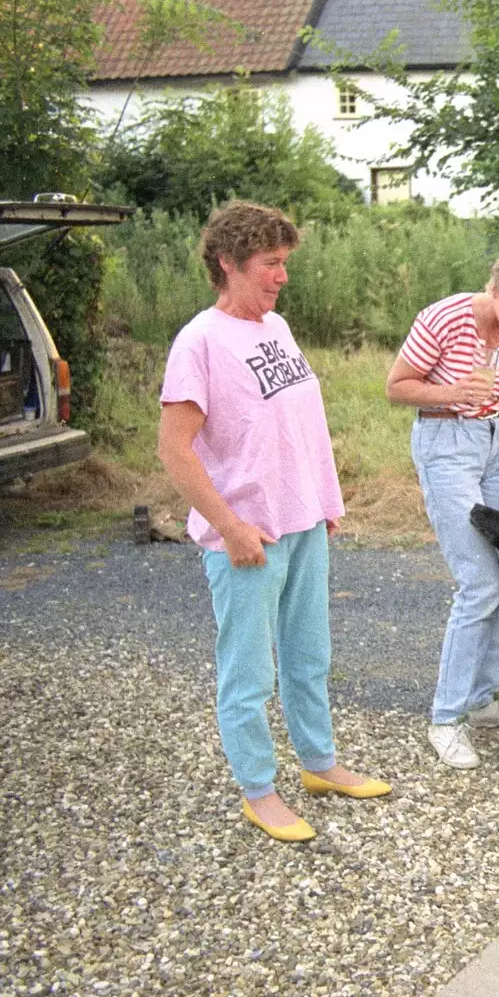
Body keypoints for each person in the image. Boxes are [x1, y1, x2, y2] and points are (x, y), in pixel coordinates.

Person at [158, 201, 390, 844]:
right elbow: (174, 449)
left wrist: (325, 501)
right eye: (270, 264)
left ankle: (320, 765)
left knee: (309, 656)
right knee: (248, 672)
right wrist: (229, 526)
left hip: (303, 522)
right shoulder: (199, 341)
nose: (282, 277)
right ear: (228, 264)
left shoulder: (277, 329)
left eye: (285, 263)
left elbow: (298, 426)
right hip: (247, 536)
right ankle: (259, 791)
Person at [385, 238, 499, 771]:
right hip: (445, 443)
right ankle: (446, 718)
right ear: (495, 287)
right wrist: (452, 392)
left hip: (494, 445)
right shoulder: (443, 318)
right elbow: (396, 388)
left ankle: (482, 700)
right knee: (479, 582)